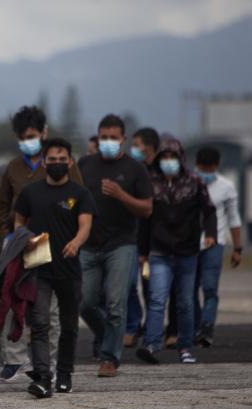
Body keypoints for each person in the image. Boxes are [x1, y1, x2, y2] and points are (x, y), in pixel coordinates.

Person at [0, 106, 83, 382]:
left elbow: (79, 200)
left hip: (55, 243)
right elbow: (1, 205)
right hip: (23, 243)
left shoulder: (63, 163)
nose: (27, 141)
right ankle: (14, 358)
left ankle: (49, 361)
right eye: (22, 137)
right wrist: (6, 233)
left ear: (43, 133)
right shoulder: (13, 167)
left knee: (50, 309)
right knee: (14, 299)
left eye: (31, 135)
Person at [12, 138, 95, 397]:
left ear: (70, 162)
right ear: (43, 161)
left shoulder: (80, 193)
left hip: (69, 268)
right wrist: (24, 239)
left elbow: (86, 224)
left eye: (62, 160)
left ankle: (65, 374)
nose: (57, 164)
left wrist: (76, 243)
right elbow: (18, 222)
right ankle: (43, 377)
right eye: (52, 160)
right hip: (38, 267)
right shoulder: (30, 192)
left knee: (69, 326)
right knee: (39, 323)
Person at [78, 114, 153, 377]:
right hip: (88, 244)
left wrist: (121, 195)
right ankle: (110, 335)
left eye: (113, 137)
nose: (107, 142)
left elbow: (146, 209)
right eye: (103, 137)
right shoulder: (85, 164)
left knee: (116, 303)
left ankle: (109, 357)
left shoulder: (135, 169)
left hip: (121, 245)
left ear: (123, 139)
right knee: (84, 302)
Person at [137, 136, 217, 365]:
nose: (169, 160)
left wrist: (210, 234)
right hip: (159, 252)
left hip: (187, 251)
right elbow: (145, 220)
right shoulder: (150, 183)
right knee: (156, 299)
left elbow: (209, 210)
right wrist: (143, 250)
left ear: (180, 158)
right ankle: (152, 344)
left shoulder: (194, 182)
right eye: (165, 157)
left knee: (185, 302)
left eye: (173, 156)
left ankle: (185, 347)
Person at [192, 147, 243, 347]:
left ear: (216, 166)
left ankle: (206, 327)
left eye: (209, 167)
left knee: (210, 288)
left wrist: (237, 248)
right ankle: (194, 326)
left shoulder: (226, 186)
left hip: (215, 243)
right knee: (190, 289)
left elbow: (233, 217)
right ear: (196, 165)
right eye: (202, 167)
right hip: (190, 244)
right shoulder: (188, 183)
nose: (206, 171)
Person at [124, 127, 160, 347]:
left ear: (149, 146)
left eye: (137, 144)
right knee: (128, 284)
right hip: (132, 238)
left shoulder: (160, 173)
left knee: (150, 287)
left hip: (155, 241)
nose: (134, 149)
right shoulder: (133, 170)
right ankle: (134, 323)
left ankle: (151, 327)